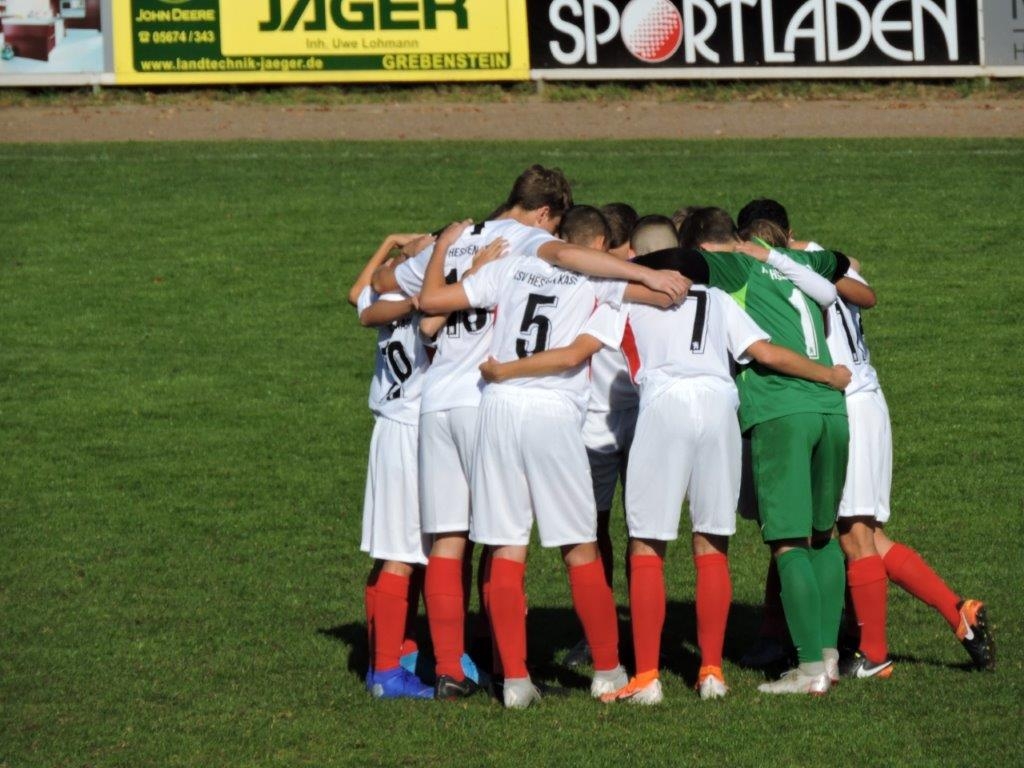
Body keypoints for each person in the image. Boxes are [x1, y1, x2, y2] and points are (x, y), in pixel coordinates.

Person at [480, 215, 851, 704]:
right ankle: (712, 671)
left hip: (662, 404)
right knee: (711, 540)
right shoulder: (716, 297)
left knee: (647, 543)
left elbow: (579, 349)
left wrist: (507, 369)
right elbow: (764, 351)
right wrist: (827, 375)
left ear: (639, 256)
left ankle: (648, 676)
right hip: (718, 407)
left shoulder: (626, 296)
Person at [371, 167, 689, 701]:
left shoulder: (505, 266)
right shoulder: (589, 276)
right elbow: (648, 301)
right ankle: (608, 670)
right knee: (579, 547)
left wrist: (444, 251)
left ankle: (510, 679)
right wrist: (656, 279)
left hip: (484, 406)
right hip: (543, 409)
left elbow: (425, 307)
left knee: (501, 546)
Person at [738, 201, 996, 675]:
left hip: (842, 400)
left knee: (852, 536)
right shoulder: (825, 258)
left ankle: (873, 653)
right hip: (869, 397)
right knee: (858, 532)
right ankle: (955, 613)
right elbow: (864, 290)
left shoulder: (778, 272)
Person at [642, 207, 852, 694]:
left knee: (789, 541)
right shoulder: (797, 264)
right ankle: (828, 657)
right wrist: (783, 255)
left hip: (783, 410)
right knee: (824, 536)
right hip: (833, 412)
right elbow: (841, 262)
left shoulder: (736, 267)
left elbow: (680, 261)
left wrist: (628, 265)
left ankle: (808, 670)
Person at [350, 236, 435, 699]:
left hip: (388, 428)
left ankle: (389, 652)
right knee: (402, 554)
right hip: (410, 431)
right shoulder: (427, 301)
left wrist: (386, 245)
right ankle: (385, 672)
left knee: (394, 551)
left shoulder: (388, 299)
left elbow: (357, 296)